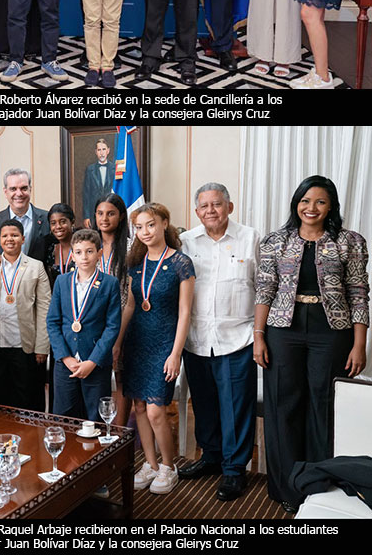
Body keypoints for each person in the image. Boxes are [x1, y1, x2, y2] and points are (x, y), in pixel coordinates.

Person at [254, 175, 369, 513]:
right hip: (282, 330)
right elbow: (264, 290)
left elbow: (359, 294)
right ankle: (286, 487)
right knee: (282, 405)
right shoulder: (275, 241)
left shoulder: (350, 242)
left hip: (331, 331)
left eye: (319, 201)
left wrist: (359, 344)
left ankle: (320, 484)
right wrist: (258, 336)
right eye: (305, 201)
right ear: (296, 204)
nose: (311, 208)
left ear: (330, 205)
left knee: (324, 405)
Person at [179, 183, 260, 501]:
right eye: (204, 206)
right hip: (197, 338)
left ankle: (234, 470)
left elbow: (263, 289)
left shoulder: (250, 238)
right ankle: (211, 458)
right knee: (204, 404)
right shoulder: (186, 242)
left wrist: (259, 335)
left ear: (230, 206)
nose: (210, 211)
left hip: (237, 338)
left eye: (217, 204)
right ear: (196, 211)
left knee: (236, 408)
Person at [116, 203, 194, 496]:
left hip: (164, 343)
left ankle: (168, 466)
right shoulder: (136, 263)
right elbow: (132, 305)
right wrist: (118, 341)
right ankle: (149, 464)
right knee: (138, 407)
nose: (145, 232)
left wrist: (176, 353)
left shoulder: (181, 263)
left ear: (164, 223)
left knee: (155, 410)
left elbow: (185, 312)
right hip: (136, 341)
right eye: (139, 227)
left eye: (150, 224)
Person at [46, 229, 122, 422]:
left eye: (89, 251)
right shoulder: (62, 282)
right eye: (78, 252)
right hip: (66, 363)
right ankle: (65, 453)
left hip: (95, 362)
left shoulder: (109, 283)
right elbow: (53, 322)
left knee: (95, 417)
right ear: (72, 255)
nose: (84, 257)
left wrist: (93, 361)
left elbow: (112, 326)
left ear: (99, 253)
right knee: (63, 416)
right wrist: (64, 357)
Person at [0, 219, 51, 411]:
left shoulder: (36, 267)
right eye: (5, 236)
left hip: (25, 347)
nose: (10, 239)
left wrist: (42, 346)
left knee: (27, 401)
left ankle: (29, 441)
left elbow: (45, 307)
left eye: (14, 235)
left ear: (23, 238)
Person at [92, 194, 131, 426]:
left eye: (110, 213)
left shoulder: (130, 247)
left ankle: (119, 433)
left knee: (121, 380)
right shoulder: (89, 244)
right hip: (92, 323)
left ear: (121, 216)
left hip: (122, 324)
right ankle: (97, 429)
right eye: (100, 213)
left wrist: (118, 336)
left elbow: (129, 295)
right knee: (96, 378)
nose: (104, 218)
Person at [0, 167, 50, 266]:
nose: (19, 193)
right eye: (13, 189)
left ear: (30, 189)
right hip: (2, 280)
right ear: (5, 192)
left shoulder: (47, 219)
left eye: (24, 188)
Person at [43, 203, 77, 289]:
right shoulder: (50, 250)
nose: (58, 227)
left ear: (72, 222)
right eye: (53, 223)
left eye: (63, 222)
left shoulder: (81, 246)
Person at [82, 138, 114, 227]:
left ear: (108, 150)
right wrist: (87, 216)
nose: (102, 152)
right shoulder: (90, 170)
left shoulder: (115, 169)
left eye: (104, 149)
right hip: (94, 211)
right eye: (99, 150)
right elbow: (86, 195)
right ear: (96, 152)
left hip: (111, 209)